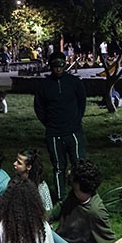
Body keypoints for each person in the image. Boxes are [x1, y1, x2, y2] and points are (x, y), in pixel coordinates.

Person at [34, 51, 87, 202]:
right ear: (50, 66)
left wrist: (76, 120)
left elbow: (82, 102)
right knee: (58, 167)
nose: (58, 69)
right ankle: (61, 198)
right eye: (55, 66)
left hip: (74, 131)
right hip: (54, 133)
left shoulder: (74, 82)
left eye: (61, 65)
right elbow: (39, 107)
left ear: (65, 65)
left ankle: (81, 196)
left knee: (79, 165)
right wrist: (49, 123)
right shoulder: (44, 85)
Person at [53, 159, 114, 243]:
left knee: (45, 231)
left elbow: (108, 241)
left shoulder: (95, 211)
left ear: (78, 183)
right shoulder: (74, 195)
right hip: (62, 242)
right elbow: (58, 209)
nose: (68, 173)